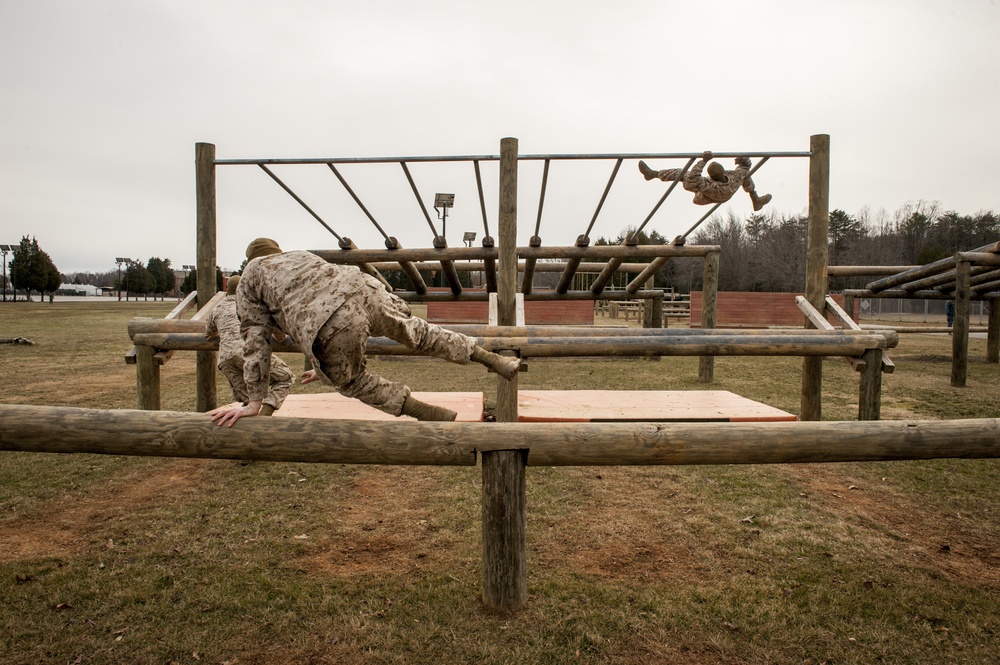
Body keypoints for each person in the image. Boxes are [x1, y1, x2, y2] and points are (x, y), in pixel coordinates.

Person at [210, 238, 520, 426]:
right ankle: (492, 359)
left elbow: (255, 338)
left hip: (329, 320)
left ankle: (430, 413)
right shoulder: (299, 255)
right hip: (366, 290)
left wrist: (254, 399)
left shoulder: (251, 275)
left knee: (352, 381)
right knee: (420, 333)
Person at [205, 274, 294, 416]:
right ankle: (267, 411)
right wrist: (282, 339)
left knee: (247, 402)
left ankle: (247, 432)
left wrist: (217, 334)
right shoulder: (251, 303)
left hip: (225, 360)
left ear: (227, 290)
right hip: (247, 353)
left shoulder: (218, 308)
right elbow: (274, 325)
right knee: (285, 377)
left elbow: (209, 331)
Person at [638, 151, 772, 211]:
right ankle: (755, 200)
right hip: (727, 193)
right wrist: (741, 158)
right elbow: (745, 167)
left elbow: (691, 180)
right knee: (745, 175)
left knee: (682, 174)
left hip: (702, 197)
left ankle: (653, 174)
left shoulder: (709, 185)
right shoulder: (734, 178)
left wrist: (703, 161)